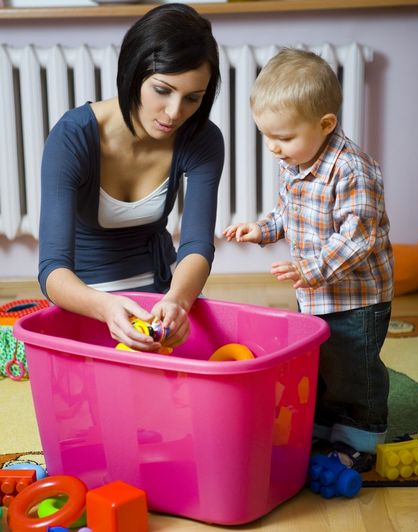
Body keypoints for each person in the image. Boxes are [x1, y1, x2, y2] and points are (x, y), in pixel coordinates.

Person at [223, 48, 394, 471]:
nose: (274, 148)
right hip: (314, 293)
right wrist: (261, 230)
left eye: (282, 138)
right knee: (320, 360)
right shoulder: (296, 161)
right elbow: (290, 214)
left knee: (354, 366)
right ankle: (322, 425)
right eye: (267, 137)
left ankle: (362, 437)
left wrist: (309, 268)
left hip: (358, 297)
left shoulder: (353, 170)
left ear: (326, 125)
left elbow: (359, 238)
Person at [38, 3, 224, 352]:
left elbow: (197, 245)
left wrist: (178, 302)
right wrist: (106, 307)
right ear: (133, 72)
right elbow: (52, 270)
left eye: (193, 98)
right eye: (163, 90)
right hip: (88, 300)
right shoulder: (72, 137)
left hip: (163, 292)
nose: (175, 113)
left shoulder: (202, 137)